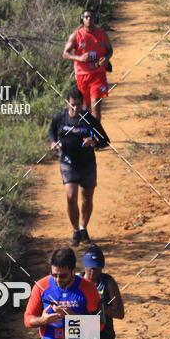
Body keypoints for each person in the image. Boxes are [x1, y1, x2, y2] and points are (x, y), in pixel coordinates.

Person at [49, 86, 109, 246]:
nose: (75, 108)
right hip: (68, 163)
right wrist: (53, 142)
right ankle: (75, 230)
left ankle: (83, 228)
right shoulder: (60, 118)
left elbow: (105, 140)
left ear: (83, 104)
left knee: (87, 198)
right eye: (72, 105)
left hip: (88, 164)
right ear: (67, 103)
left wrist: (94, 141)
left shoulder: (90, 120)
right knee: (71, 196)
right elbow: (51, 131)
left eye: (78, 105)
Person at [63, 8, 113, 121]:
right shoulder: (76, 35)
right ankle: (87, 135)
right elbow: (65, 54)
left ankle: (96, 136)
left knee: (96, 108)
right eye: (86, 17)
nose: (89, 19)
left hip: (98, 75)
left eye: (91, 17)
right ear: (82, 19)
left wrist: (106, 58)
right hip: (82, 76)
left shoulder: (102, 35)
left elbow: (110, 50)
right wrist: (79, 58)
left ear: (96, 19)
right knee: (86, 109)